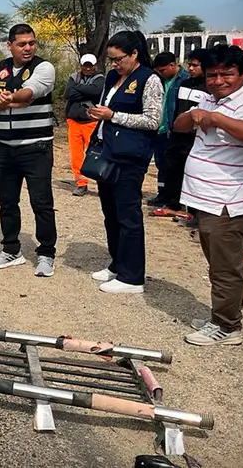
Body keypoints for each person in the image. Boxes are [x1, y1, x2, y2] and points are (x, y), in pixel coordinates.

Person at [178, 45, 243, 346]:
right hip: (206, 199)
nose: (218, 81)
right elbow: (179, 125)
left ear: (242, 74)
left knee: (226, 269)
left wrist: (215, 119)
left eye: (226, 74)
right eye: (212, 75)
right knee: (217, 264)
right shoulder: (209, 98)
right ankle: (221, 316)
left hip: (228, 203)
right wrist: (195, 115)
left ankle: (227, 327)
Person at [0, 23, 58, 277]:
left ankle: (46, 253)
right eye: (22, 44)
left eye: (32, 43)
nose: (28, 48)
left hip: (36, 148)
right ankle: (11, 249)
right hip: (5, 149)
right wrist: (4, 102)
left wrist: (6, 99)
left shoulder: (44, 68)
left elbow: (29, 93)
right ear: (9, 45)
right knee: (7, 201)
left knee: (41, 203)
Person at [87, 31, 163, 294]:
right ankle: (117, 264)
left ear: (134, 54)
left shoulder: (150, 80)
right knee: (111, 214)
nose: (115, 64)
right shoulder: (112, 78)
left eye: (119, 59)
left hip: (129, 158)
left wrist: (113, 115)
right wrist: (98, 114)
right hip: (106, 152)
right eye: (111, 60)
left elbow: (153, 120)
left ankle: (132, 277)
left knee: (128, 216)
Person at [152, 48, 210, 220]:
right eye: (190, 65)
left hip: (195, 138)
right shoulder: (184, 84)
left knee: (192, 173)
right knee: (172, 169)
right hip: (176, 135)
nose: (191, 68)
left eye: (195, 65)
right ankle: (173, 204)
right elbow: (175, 108)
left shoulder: (209, 87)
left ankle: (193, 211)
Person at [148, 52, 188, 207]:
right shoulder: (158, 80)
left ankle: (175, 199)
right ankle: (162, 194)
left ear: (172, 65)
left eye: (162, 70)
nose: (160, 73)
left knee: (174, 167)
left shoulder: (184, 80)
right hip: (159, 130)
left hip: (173, 130)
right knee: (161, 164)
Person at [64, 53, 105, 196]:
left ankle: (103, 184)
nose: (87, 68)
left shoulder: (100, 78)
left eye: (90, 66)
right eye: (85, 65)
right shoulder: (74, 76)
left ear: (95, 66)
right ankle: (81, 183)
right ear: (81, 65)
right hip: (74, 121)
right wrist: (86, 91)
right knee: (76, 155)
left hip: (91, 122)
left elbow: (96, 91)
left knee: (96, 153)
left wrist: (78, 88)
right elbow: (68, 94)